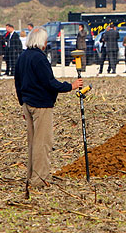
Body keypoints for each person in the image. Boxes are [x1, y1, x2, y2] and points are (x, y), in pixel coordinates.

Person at [14, 26, 83, 192]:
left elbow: (18, 82)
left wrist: (22, 102)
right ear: (42, 41)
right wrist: (71, 86)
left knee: (33, 142)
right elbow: (50, 83)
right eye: (45, 40)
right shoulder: (39, 59)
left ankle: (31, 175)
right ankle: (39, 179)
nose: (46, 43)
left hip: (27, 104)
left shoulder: (23, 57)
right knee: (42, 143)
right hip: (41, 105)